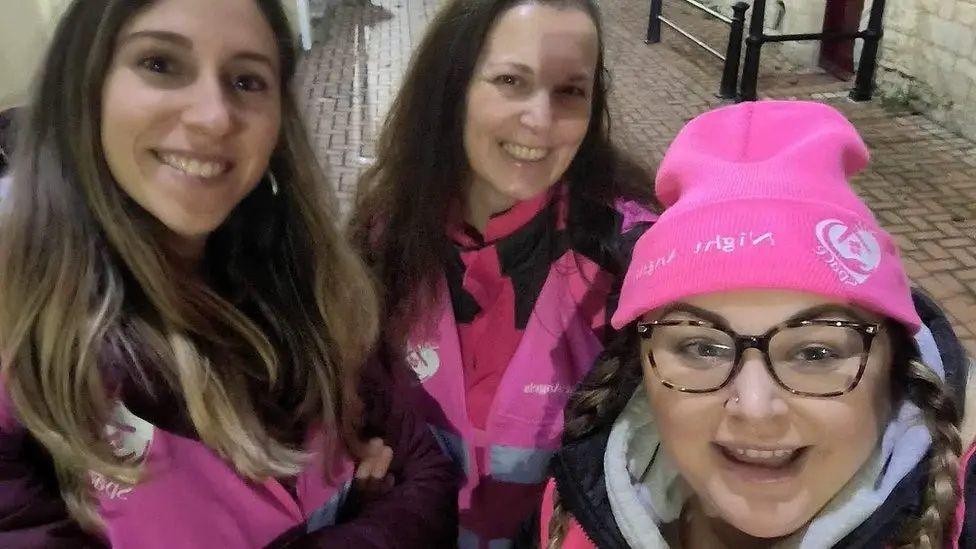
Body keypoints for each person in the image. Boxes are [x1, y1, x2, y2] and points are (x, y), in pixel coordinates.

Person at [0, 0, 455, 547]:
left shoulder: (307, 279)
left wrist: (359, 502)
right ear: (83, 87)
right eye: (161, 64)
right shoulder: (22, 341)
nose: (214, 116)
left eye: (246, 80)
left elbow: (425, 472)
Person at [540, 100, 973, 548]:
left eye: (815, 353)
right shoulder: (575, 502)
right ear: (642, 367)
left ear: (895, 367)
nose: (754, 408)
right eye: (701, 347)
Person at [349, 0, 656, 545]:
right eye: (512, 81)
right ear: (452, 89)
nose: (540, 121)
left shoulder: (631, 257)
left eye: (570, 91)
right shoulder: (381, 238)